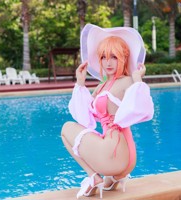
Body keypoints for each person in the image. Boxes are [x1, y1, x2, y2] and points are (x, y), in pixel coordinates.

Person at [61, 24, 154, 199]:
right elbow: (85, 117)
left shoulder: (127, 81)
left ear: (124, 58)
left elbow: (142, 109)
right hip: (119, 153)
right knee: (74, 130)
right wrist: (80, 82)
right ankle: (111, 178)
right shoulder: (101, 86)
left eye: (114, 57)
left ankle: (93, 177)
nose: (108, 62)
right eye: (103, 57)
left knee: (66, 128)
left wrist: (137, 79)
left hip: (115, 152)